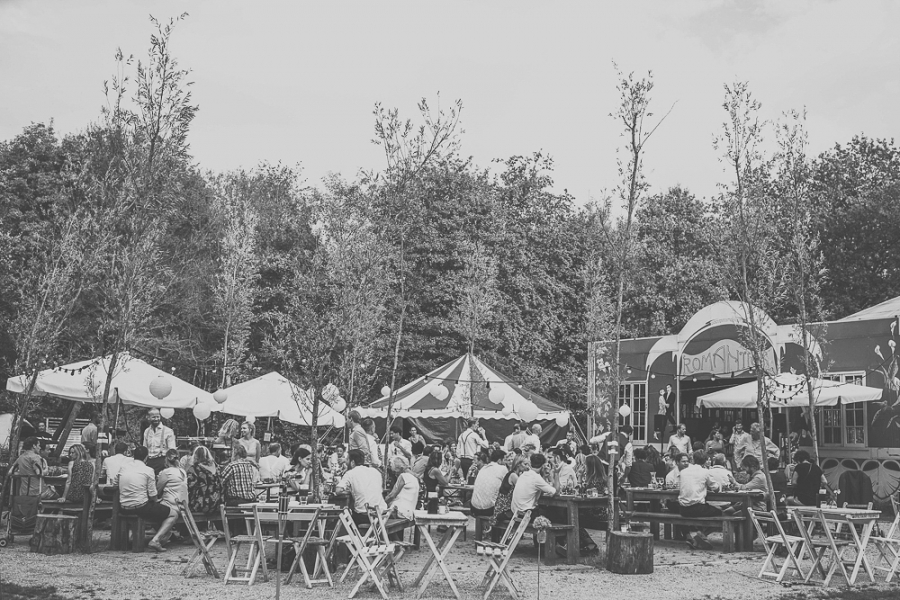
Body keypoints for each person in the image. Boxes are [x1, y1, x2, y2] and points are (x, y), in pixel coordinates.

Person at [116, 445, 178, 553]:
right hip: (140, 507)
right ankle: (156, 539)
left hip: (123, 506)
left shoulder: (123, 468)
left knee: (156, 509)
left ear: (133, 456)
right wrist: (156, 501)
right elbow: (153, 495)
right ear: (146, 458)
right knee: (173, 514)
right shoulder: (148, 470)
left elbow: (115, 483)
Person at [678, 450, 722, 549]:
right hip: (697, 508)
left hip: (683, 509)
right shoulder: (705, 472)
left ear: (693, 459)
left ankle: (692, 536)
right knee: (721, 513)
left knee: (674, 510)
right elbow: (716, 489)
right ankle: (701, 535)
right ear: (705, 460)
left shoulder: (683, 472)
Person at [335, 449, 387, 526]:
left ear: (352, 462)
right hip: (383, 514)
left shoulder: (350, 473)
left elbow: (338, 490)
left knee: (345, 519)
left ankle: (352, 537)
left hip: (365, 515)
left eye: (347, 459)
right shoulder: (375, 471)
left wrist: (348, 489)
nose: (345, 462)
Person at [510, 453, 557, 520]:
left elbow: (539, 487)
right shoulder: (536, 477)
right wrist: (554, 474)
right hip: (526, 514)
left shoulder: (524, 474)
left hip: (516, 512)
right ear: (543, 466)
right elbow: (554, 491)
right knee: (556, 514)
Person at [472, 449, 508, 521]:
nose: (506, 462)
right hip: (488, 509)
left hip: (474, 507)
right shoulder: (503, 468)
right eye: (505, 459)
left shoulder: (483, 468)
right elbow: (508, 486)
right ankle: (499, 531)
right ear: (499, 460)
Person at [187, 445, 222, 514]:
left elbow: (189, 486)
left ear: (195, 456)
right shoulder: (217, 467)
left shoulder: (194, 469)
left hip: (202, 504)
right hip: (218, 504)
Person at [385, 456, 419, 522]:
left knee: (377, 515)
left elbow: (392, 495)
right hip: (409, 512)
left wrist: (383, 502)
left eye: (395, 472)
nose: (395, 474)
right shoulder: (414, 478)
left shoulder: (403, 476)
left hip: (400, 511)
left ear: (399, 468)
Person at [143, 408, 176, 475]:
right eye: (153, 417)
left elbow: (172, 450)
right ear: (148, 418)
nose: (156, 419)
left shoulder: (168, 431)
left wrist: (171, 464)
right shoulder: (147, 431)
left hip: (162, 460)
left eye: (158, 417)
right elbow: (145, 448)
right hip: (149, 461)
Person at [424, 448, 452, 512]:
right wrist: (451, 471)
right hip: (432, 495)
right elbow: (445, 482)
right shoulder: (435, 470)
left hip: (428, 494)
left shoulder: (428, 468)